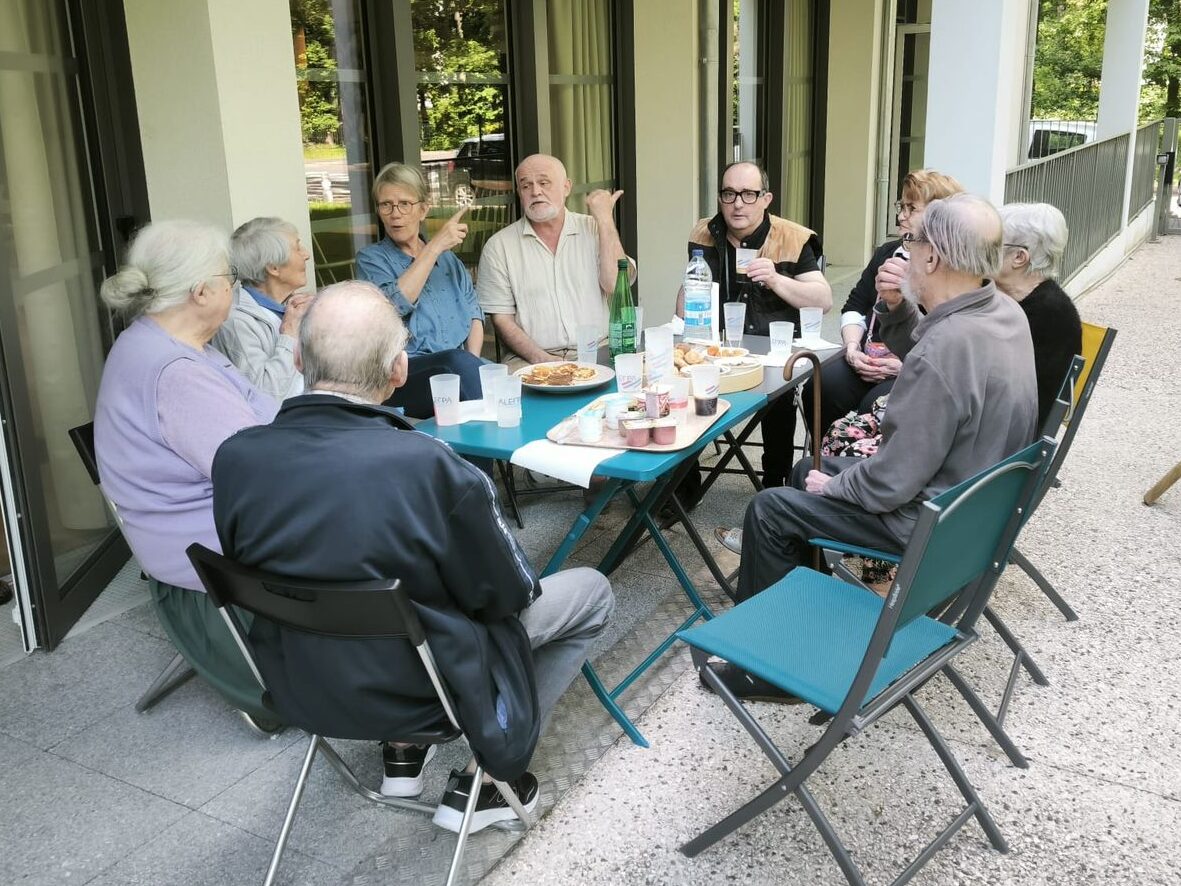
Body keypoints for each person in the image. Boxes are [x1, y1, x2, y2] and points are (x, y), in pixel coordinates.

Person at [211, 280, 614, 833]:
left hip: (302, 681)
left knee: (382, 595)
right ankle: (488, 782)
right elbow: (508, 594)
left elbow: (275, 571)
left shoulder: (235, 458)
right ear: (400, 370)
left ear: (300, 358)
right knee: (591, 591)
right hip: (423, 685)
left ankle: (402, 754)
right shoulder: (432, 466)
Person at [710, 194, 1038, 701]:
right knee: (802, 475)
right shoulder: (1002, 312)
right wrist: (898, 312)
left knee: (771, 508)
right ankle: (804, 622)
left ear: (933, 258)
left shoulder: (947, 349)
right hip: (970, 513)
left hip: (927, 522)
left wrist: (839, 484)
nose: (905, 252)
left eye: (912, 241)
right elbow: (938, 363)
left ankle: (769, 669)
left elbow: (891, 481)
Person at [93, 220, 279, 729]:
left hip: (203, 528)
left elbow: (260, 421)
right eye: (230, 280)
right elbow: (258, 471)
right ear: (202, 291)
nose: (234, 290)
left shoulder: (164, 341)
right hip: (212, 547)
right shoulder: (174, 372)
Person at [678, 160, 831, 489]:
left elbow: (823, 299)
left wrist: (776, 279)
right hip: (713, 349)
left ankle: (775, 483)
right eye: (729, 194)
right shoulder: (703, 233)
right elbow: (686, 302)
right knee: (683, 389)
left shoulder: (792, 237)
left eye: (748, 194)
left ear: (766, 198)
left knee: (780, 396)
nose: (737, 204)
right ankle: (684, 487)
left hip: (772, 354)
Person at [806, 169, 965, 437]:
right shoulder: (887, 253)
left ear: (940, 215)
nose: (901, 215)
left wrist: (903, 365)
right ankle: (823, 461)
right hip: (867, 357)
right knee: (821, 385)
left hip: (914, 368)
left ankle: (861, 468)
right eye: (901, 206)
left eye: (911, 208)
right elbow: (854, 307)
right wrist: (853, 349)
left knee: (876, 405)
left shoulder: (949, 268)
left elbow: (947, 336)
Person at [477, 153, 635, 369]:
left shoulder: (594, 228)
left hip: (600, 348)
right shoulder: (499, 247)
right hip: (529, 358)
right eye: (526, 186)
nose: (536, 191)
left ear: (566, 187)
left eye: (544, 183)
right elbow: (502, 319)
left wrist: (605, 219)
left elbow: (615, 284)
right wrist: (541, 359)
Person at [356, 162, 487, 418]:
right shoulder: (371, 259)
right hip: (404, 375)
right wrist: (434, 247)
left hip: (459, 369)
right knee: (456, 365)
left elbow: (474, 314)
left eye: (405, 203)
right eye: (386, 205)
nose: (395, 214)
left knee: (510, 382)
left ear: (424, 209)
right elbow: (394, 306)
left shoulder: (449, 261)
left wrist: (473, 365)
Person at [996, 202, 1083, 430]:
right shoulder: (1014, 298)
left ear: (1019, 257)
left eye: (991, 244)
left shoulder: (1048, 313)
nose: (980, 250)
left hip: (1010, 439)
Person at [213, 216, 313, 400]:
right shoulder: (236, 322)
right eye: (298, 247)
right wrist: (289, 334)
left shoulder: (290, 307)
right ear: (273, 268)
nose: (306, 254)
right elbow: (266, 394)